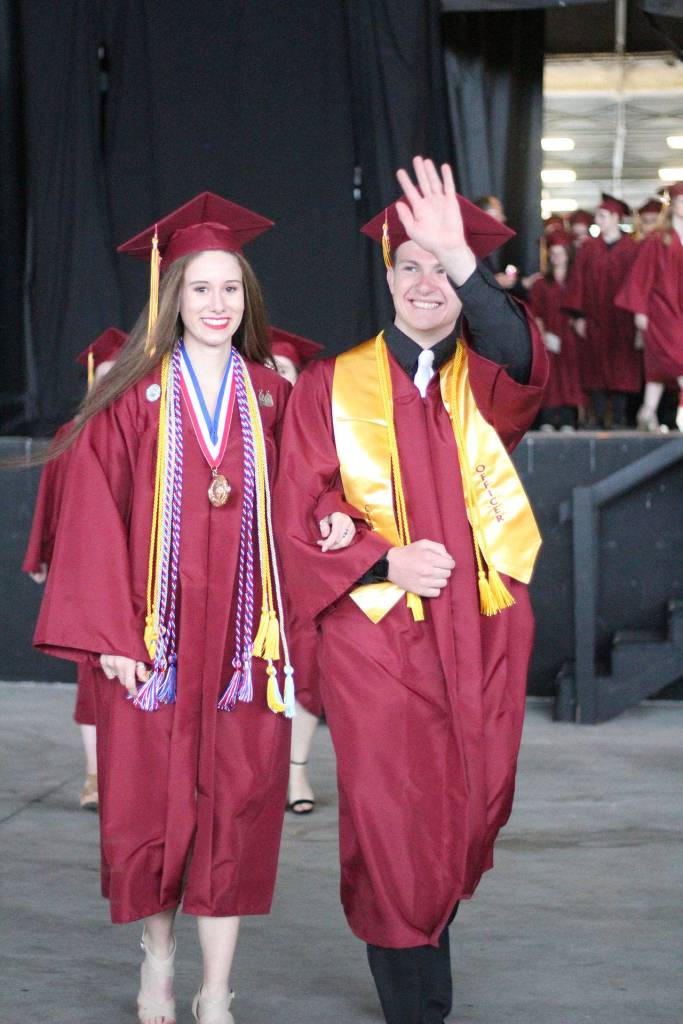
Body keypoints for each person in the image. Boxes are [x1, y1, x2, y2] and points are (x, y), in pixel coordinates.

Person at [274, 157, 547, 1024]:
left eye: (440, 268)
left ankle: (428, 961)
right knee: (393, 816)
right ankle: (414, 1007)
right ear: (385, 278)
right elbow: (298, 508)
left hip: (481, 628)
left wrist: (462, 261)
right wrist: (380, 560)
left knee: (471, 802)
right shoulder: (332, 384)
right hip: (377, 638)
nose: (425, 283)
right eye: (409, 266)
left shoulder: (483, 381)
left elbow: (521, 356)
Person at [33, 192, 297, 1024]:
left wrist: (329, 516)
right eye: (200, 289)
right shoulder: (132, 399)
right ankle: (157, 963)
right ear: (171, 296)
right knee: (152, 811)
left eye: (230, 289)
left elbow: (309, 500)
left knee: (239, 809)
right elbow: (91, 517)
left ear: (246, 299)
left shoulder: (275, 397)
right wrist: (110, 633)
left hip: (241, 655)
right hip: (152, 650)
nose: (217, 305)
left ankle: (216, 993)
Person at [22, 327, 126, 809]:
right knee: (91, 675)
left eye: (116, 374)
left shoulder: (146, 426)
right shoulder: (72, 433)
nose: (109, 383)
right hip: (79, 563)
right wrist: (40, 554)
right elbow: (50, 501)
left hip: (132, 561)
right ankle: (93, 774)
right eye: (102, 375)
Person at [269, 326, 329, 814]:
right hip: (249, 572)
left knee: (305, 667)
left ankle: (297, 772)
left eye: (284, 369)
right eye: (267, 369)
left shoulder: (318, 430)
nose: (275, 377)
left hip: (301, 572)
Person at [563, 193, 640, 428]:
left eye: (603, 215)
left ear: (616, 217)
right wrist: (577, 317)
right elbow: (577, 282)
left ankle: (619, 419)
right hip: (594, 319)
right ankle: (595, 420)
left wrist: (638, 318)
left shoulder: (632, 248)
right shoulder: (588, 248)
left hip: (622, 321)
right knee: (593, 368)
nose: (598, 220)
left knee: (622, 369)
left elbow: (638, 284)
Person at [616, 183, 683, 432]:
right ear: (673, 206)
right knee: (680, 356)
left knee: (657, 366)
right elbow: (641, 277)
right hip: (661, 310)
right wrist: (640, 311)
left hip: (681, 308)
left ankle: (647, 412)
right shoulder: (656, 240)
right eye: (681, 201)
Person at [530, 230, 584, 430]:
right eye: (553, 253)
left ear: (568, 254)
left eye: (560, 252)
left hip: (571, 338)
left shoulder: (576, 281)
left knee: (571, 378)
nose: (557, 257)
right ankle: (548, 419)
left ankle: (569, 419)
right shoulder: (541, 284)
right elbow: (535, 312)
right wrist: (543, 334)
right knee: (550, 379)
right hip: (550, 337)